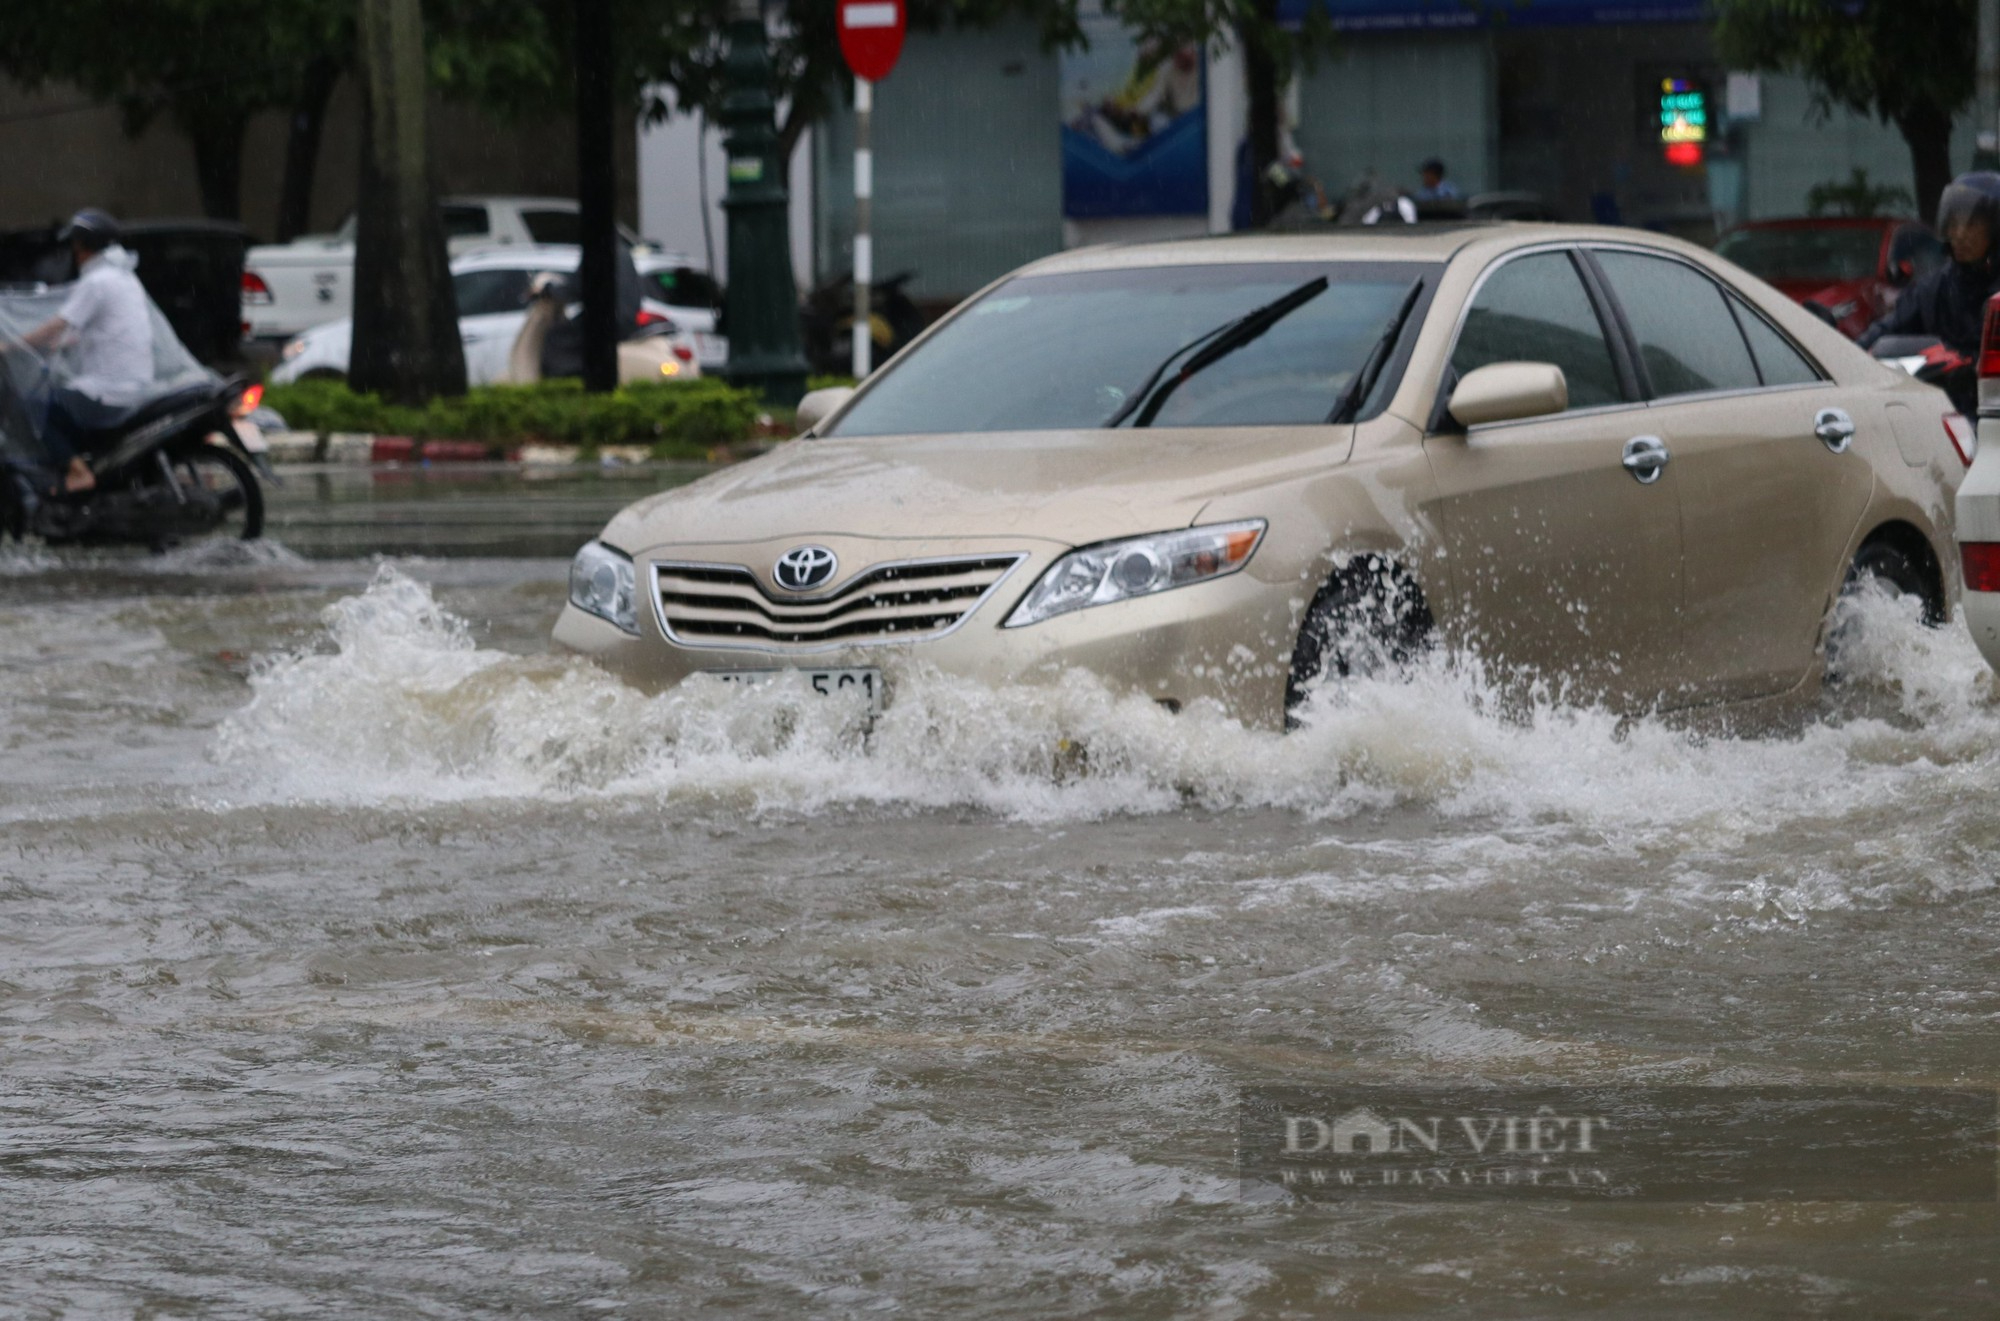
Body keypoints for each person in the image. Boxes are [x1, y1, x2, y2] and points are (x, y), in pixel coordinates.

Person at [15, 208, 154, 494]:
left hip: (109, 391)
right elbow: (104, 328)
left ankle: (78, 472)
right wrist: (64, 344)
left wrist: (11, 345)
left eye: (75, 244)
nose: (73, 252)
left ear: (82, 246)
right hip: (136, 383)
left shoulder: (96, 282)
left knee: (37, 404)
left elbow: (57, 324)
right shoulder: (124, 278)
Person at [1858, 172, 2000, 358]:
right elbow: (1887, 329)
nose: (1959, 234)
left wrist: (1961, 359)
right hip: (1936, 387)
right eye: (1953, 223)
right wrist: (1847, 354)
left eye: (1971, 224)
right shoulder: (1936, 287)